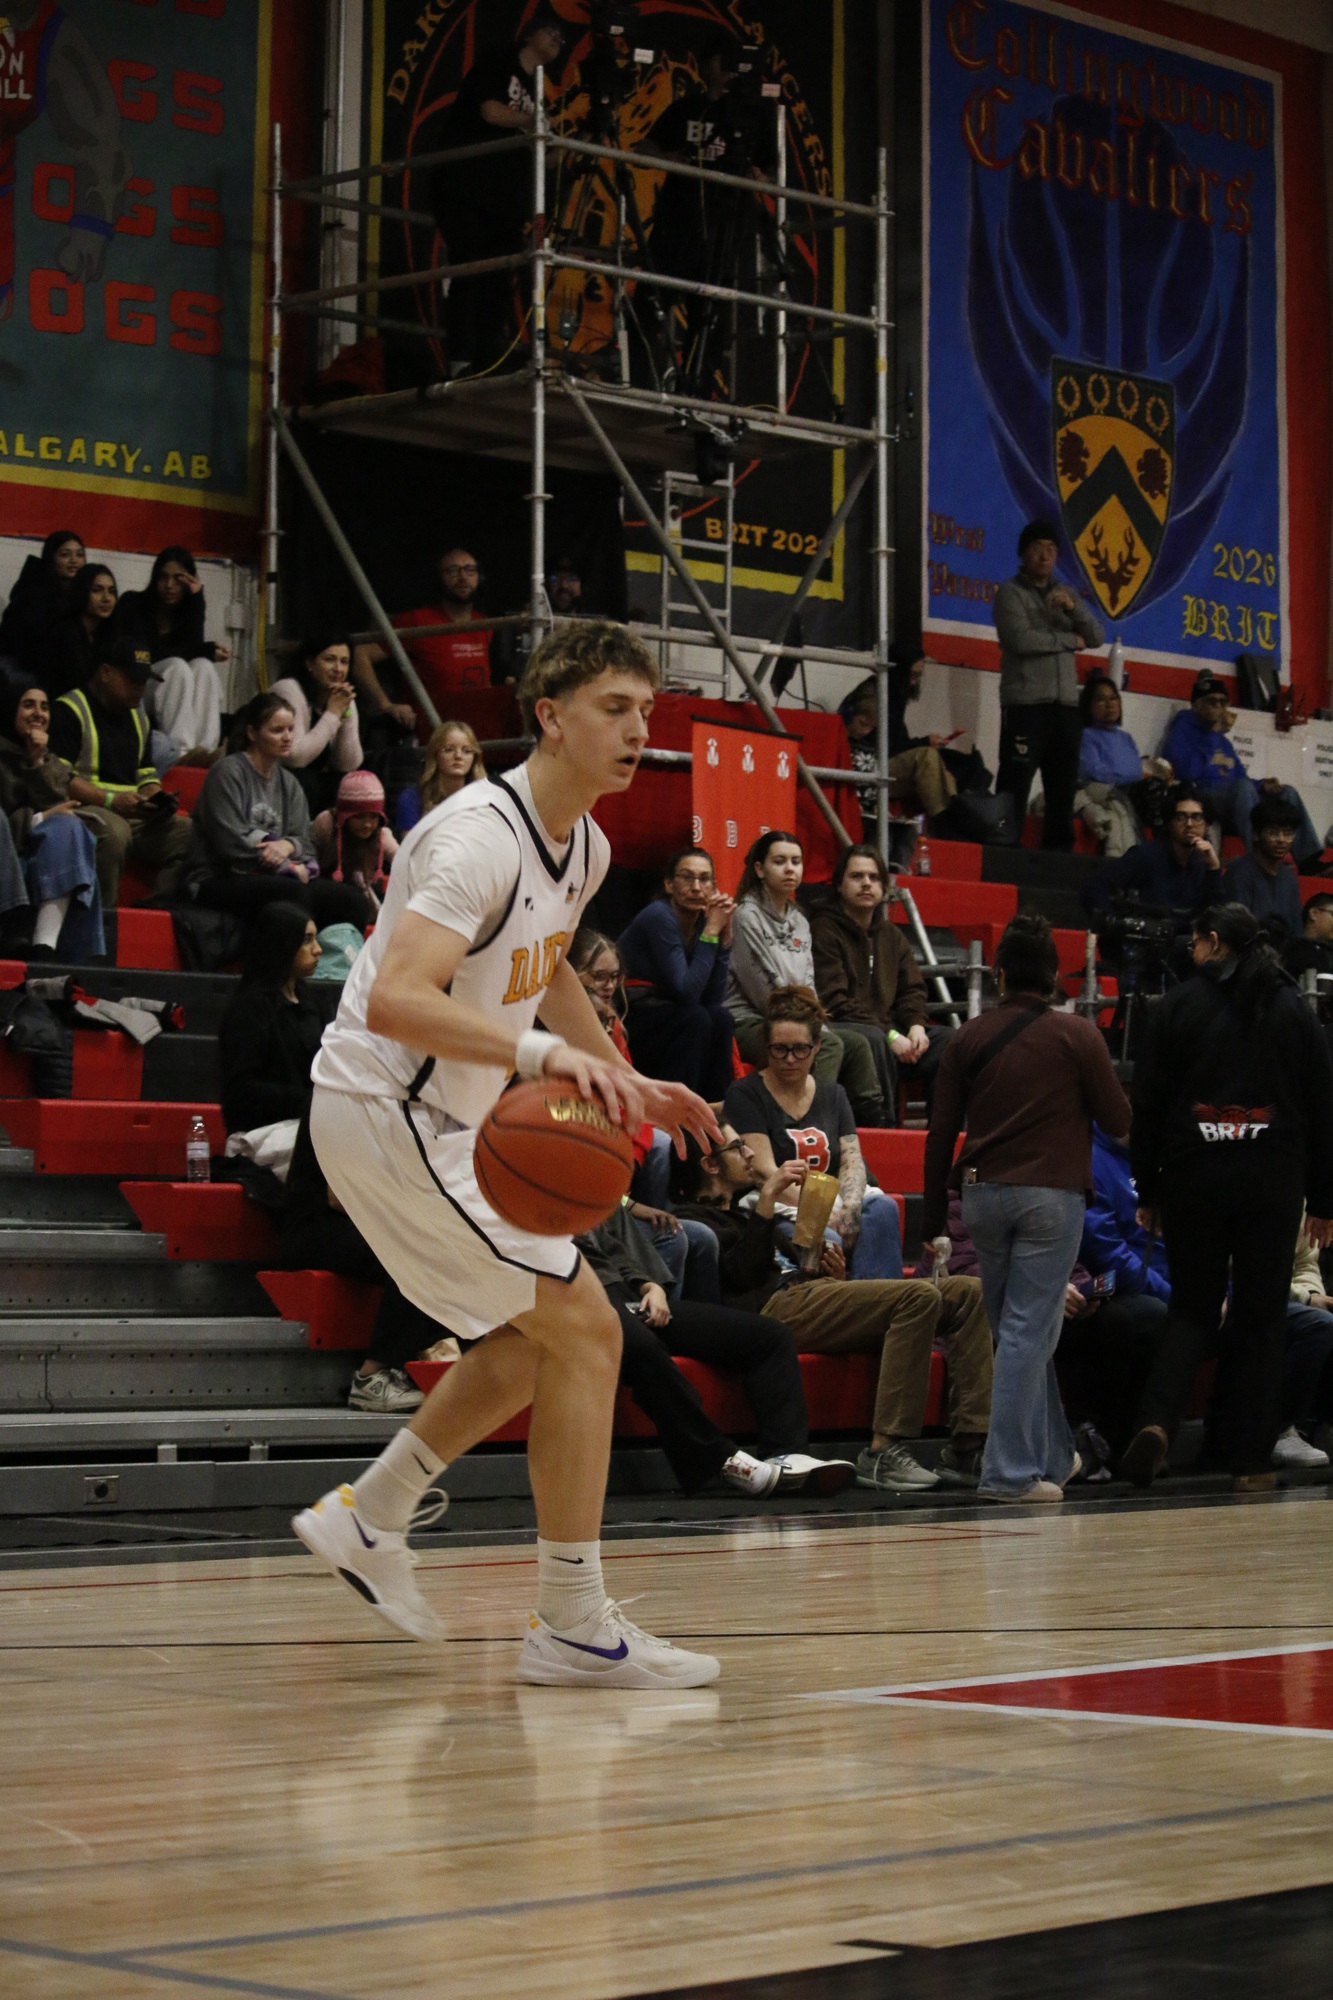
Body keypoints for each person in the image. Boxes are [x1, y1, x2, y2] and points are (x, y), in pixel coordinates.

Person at [294, 619, 722, 1686]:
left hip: (444, 1120)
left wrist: (620, 1074)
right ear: (550, 717)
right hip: (386, 1109)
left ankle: (371, 1515)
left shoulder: (588, 844)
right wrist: (540, 1056)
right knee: (586, 1330)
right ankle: (571, 1622)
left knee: (539, 1339)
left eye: (646, 711)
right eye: (614, 709)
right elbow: (396, 997)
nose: (638, 730)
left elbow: (548, 962)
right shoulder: (474, 836)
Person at [1122, 903, 1333, 1490]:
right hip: (1273, 1177)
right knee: (1262, 1317)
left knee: (1192, 1309)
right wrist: (1324, 1200)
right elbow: (1323, 1105)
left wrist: (1148, 1187)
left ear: (1213, 941)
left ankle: (1156, 1422)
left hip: (1193, 1174)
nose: (1191, 953)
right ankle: (1251, 1460)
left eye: (1194, 943)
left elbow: (1149, 1103)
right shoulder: (1293, 1007)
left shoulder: (1177, 1006)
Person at [923, 912, 1131, 1502]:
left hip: (980, 1196)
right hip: (1050, 1197)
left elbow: (940, 1135)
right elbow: (1118, 1120)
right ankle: (1008, 1475)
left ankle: (1054, 1455)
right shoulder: (1079, 1035)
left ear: (999, 974)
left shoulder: (966, 1037)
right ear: (1056, 977)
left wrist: (933, 1219)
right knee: (1026, 1333)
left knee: (1018, 1332)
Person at [674, 1125, 993, 1492]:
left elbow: (789, 1268)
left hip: (808, 1293)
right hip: (772, 1311)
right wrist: (768, 1196)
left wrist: (831, 1275)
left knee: (969, 1291)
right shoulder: (693, 1221)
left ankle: (969, 1447)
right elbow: (743, 1276)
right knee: (918, 1297)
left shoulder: (745, 1214)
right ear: (709, 1165)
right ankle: (883, 1453)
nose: (749, 1154)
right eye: (736, 1147)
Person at [575, 1202, 854, 1499]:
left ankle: (787, 1454)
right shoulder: (541, 1202)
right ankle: (720, 1460)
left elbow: (615, 1250)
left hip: (627, 1297)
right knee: (643, 1348)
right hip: (577, 1302)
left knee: (770, 1336)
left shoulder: (589, 1196)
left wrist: (649, 1286)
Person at [567, 925, 719, 1300]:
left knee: (696, 1233)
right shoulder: (558, 1066)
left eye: (614, 977)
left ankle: (669, 1315)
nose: (608, 986)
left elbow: (631, 1104)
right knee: (674, 1233)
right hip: (591, 1205)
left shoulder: (613, 1025)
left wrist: (629, 1164)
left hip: (617, 1194)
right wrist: (626, 1199)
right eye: (598, 976)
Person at [722, 985, 905, 1282]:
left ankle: (878, 1303)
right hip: (778, 1205)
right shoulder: (746, 1094)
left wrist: (850, 1209)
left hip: (831, 1198)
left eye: (800, 1049)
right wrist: (820, 1213)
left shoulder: (833, 1094)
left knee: (882, 1209)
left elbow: (851, 1160)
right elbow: (764, 1171)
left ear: (817, 1046)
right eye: (779, 1049)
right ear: (766, 1047)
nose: (790, 1059)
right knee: (826, 1237)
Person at [429, 11, 567, 373]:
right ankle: (460, 358)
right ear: (529, 35)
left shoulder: (539, 90)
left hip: (503, 200)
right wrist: (533, 122)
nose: (557, 38)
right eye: (550, 30)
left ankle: (488, 360)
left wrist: (568, 141)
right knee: (470, 268)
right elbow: (490, 111)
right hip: (466, 185)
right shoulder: (500, 61)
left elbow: (550, 159)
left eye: (561, 36)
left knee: (500, 280)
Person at [726, 829, 885, 1125]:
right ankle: (812, 1124)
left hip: (795, 1017)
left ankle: (873, 1126)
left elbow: (808, 983)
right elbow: (764, 989)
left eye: (796, 861)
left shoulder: (799, 920)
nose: (790, 869)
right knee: (830, 1045)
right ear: (759, 869)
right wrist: (810, 1028)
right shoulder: (745, 916)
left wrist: (815, 1024)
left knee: (858, 1044)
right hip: (749, 1020)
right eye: (780, 861)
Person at [181, 693, 373, 932]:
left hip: (275, 874)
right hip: (217, 877)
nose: (287, 737)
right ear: (252, 733)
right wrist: (286, 866)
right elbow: (230, 844)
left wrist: (288, 845)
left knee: (351, 901)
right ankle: (290, 956)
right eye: (277, 730)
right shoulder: (227, 773)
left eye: (291, 729)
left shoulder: (290, 783)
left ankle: (336, 955)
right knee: (291, 892)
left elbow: (307, 843)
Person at [812, 843, 951, 1121]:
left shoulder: (891, 935)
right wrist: (891, 1035)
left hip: (890, 1031)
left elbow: (912, 989)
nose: (866, 883)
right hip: (844, 1027)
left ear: (884, 887)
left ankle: (944, 1133)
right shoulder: (823, 929)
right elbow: (834, 1000)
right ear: (839, 885)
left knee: (949, 1041)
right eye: (857, 876)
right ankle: (885, 1129)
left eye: (874, 877)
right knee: (874, 1040)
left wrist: (915, 1025)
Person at [49, 638, 192, 906]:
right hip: (82, 809)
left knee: (190, 832)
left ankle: (156, 908)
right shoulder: (69, 710)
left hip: (131, 812)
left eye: (143, 681)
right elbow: (60, 779)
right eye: (132, 680)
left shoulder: (138, 717)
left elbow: (146, 774)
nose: (140, 689)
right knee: (114, 833)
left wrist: (155, 798)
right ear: (105, 673)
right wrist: (111, 801)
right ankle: (103, 917)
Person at [992, 518, 1104, 848]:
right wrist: (1069, 640)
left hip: (1066, 707)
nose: (1045, 556)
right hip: (1026, 705)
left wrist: (1075, 608)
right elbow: (1020, 640)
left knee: (1063, 790)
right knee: (1015, 784)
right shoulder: (1010, 593)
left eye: (1052, 550)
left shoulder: (1065, 593)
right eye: (1038, 548)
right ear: (1023, 553)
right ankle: (1004, 852)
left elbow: (1097, 636)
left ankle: (1059, 859)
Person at [1161, 671, 1321, 863]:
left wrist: (1261, 785)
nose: (1219, 707)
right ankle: (1260, 856)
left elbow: (1240, 778)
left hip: (1235, 800)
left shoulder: (1222, 741)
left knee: (1287, 792)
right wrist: (1211, 735)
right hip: (1203, 797)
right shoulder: (1183, 729)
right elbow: (1186, 772)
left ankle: (1309, 861)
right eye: (1212, 702)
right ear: (1196, 705)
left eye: (1223, 702)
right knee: (1242, 788)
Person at [617, 845, 736, 1102]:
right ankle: (676, 1109)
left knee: (721, 1018)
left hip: (671, 1014)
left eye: (704, 879)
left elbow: (712, 1000)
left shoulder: (705, 921)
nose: (696, 887)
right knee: (696, 1018)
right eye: (686, 877)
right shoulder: (659, 916)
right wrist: (711, 933)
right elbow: (687, 993)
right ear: (669, 885)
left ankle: (717, 1111)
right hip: (634, 1015)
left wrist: (724, 944)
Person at [0, 683, 103, 960]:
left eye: (44, 707)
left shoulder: (49, 760)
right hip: (6, 863)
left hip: (39, 859)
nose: (39, 713)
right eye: (28, 705)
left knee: (69, 827)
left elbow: (59, 804)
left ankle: (44, 947)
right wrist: (39, 819)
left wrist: (37, 763)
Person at [217, 902, 328, 1137]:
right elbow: (242, 1093)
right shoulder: (248, 1008)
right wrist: (311, 1101)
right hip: (261, 1133)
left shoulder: (311, 1000)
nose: (318, 949)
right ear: (282, 944)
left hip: (308, 1125)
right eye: (307, 940)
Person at [354, 549, 493, 729]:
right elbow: (360, 654)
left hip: (476, 726)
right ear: (439, 578)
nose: (463, 577)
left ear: (479, 577)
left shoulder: (483, 623)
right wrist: (385, 705)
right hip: (433, 729)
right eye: (452, 570)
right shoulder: (417, 621)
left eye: (470, 570)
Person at [116, 546, 229, 760]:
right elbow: (146, 655)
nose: (169, 585)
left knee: (203, 666)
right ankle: (182, 752)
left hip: (169, 687)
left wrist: (196, 598)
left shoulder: (186, 613)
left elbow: (194, 650)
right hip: (138, 685)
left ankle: (204, 751)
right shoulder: (133, 603)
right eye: (163, 578)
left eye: (178, 579)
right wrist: (202, 650)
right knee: (176, 667)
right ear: (155, 578)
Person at [1080, 783, 1225, 937]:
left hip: (1186, 944)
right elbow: (1094, 887)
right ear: (1170, 823)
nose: (1189, 824)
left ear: (1207, 825)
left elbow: (1217, 918)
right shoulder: (1146, 855)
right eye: (1180, 817)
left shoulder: (1204, 864)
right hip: (1146, 939)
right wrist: (1115, 924)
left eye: (1196, 817)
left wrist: (1214, 869)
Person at [838, 670, 957, 830]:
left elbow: (896, 746)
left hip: (878, 772)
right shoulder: (839, 734)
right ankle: (946, 827)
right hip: (874, 774)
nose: (866, 731)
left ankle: (952, 825)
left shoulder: (889, 706)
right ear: (848, 714)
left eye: (872, 728)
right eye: (863, 724)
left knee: (944, 775)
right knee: (928, 757)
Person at [270, 634, 363, 816]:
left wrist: (345, 714)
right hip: (270, 777)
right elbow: (294, 758)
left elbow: (348, 764)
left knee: (348, 784)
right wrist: (333, 714)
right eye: (329, 659)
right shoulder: (288, 690)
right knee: (305, 781)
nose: (338, 669)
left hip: (308, 782)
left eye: (344, 662)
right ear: (309, 663)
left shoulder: (341, 697)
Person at [1073, 673, 1162, 857]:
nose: (1110, 704)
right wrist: (1126, 778)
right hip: (1105, 791)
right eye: (1101, 699)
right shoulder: (1086, 736)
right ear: (1089, 706)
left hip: (1131, 789)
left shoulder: (1126, 738)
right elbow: (1094, 772)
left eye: (1113, 698)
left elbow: (1136, 770)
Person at [0, 529, 85, 680]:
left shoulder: (82, 595)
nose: (74, 561)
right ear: (50, 558)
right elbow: (23, 646)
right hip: (20, 669)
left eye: (79, 555)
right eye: (65, 555)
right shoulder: (32, 594)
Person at [311, 770, 398, 916]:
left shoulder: (382, 835)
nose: (367, 825)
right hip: (321, 885)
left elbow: (403, 860)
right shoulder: (326, 824)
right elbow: (308, 859)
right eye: (360, 817)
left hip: (360, 888)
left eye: (374, 817)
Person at [1221, 794, 1304, 938]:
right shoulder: (1239, 873)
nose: (1281, 840)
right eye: (1273, 833)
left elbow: (1296, 931)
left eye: (1287, 833)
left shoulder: (1289, 878)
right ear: (1256, 834)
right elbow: (1237, 931)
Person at [43, 562, 118, 701]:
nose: (106, 598)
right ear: (82, 592)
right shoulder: (65, 632)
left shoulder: (107, 635)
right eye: (97, 590)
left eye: (111, 591)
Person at [395, 719, 484, 835]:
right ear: (435, 754)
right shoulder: (412, 798)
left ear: (475, 757)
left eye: (466, 751)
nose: (458, 756)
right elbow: (411, 844)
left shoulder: (485, 799)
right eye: (449, 750)